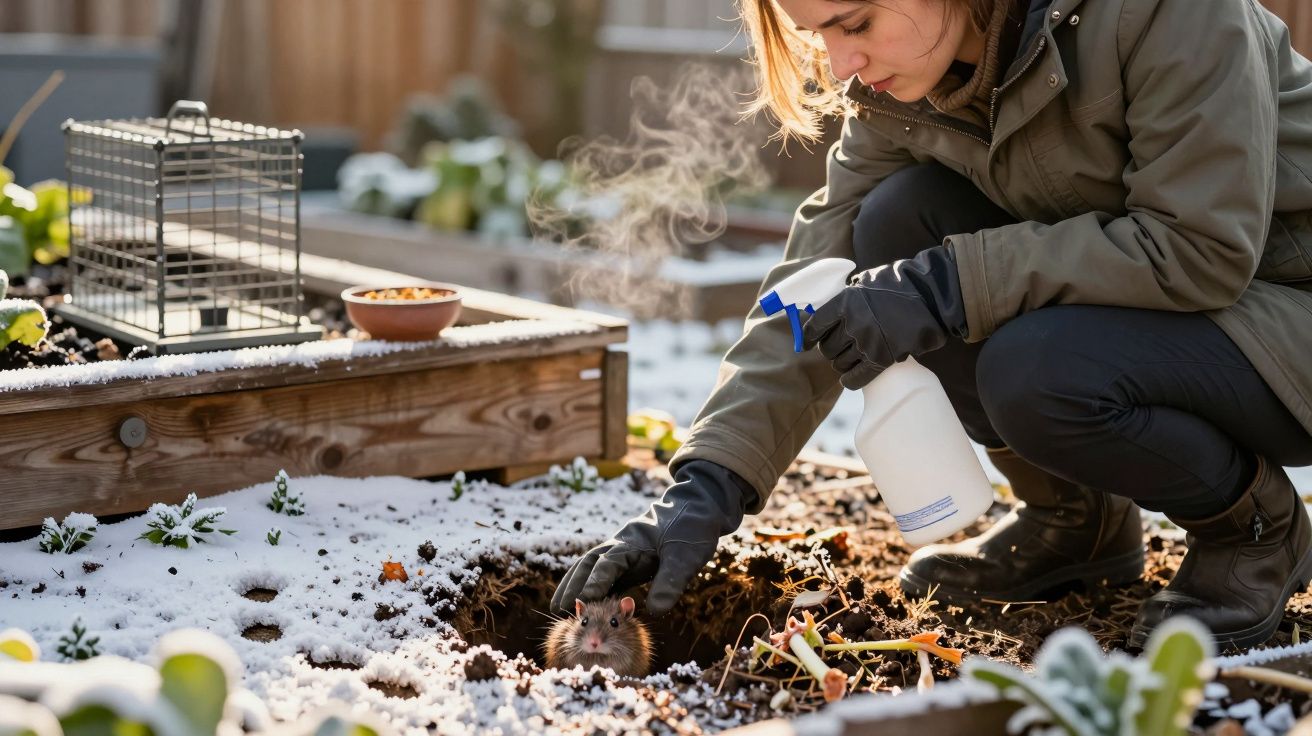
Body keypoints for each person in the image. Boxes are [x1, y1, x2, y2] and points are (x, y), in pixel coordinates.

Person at [552, 0, 1312, 650]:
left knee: (1032, 366)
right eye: (818, 34)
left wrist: (947, 284)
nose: (842, 62)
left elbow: (1199, 248)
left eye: (855, 22)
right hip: (1183, 313)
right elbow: (817, 280)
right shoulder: (909, 86)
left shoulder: (1164, 14)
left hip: (1287, 307)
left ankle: (1254, 531)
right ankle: (1076, 523)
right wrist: (704, 488)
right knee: (894, 223)